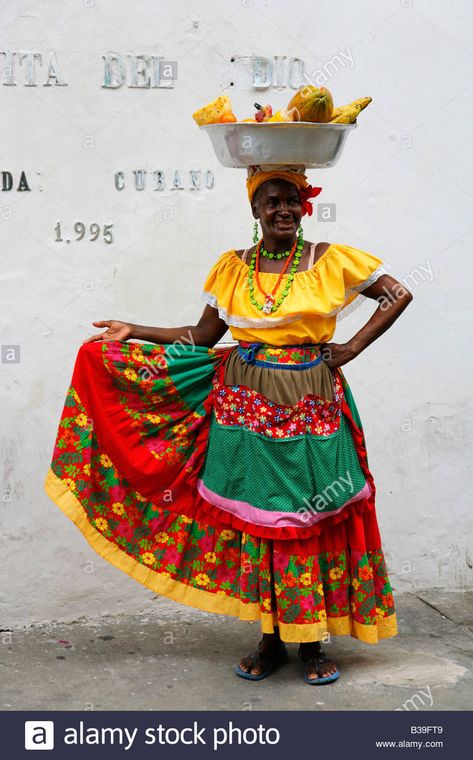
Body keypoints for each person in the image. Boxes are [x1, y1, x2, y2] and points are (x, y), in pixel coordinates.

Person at [45, 163, 413, 685]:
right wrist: (134, 331)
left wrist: (351, 347)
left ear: (304, 206)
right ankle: (269, 639)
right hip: (242, 407)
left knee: (306, 516)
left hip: (311, 404)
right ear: (255, 209)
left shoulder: (331, 260)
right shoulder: (233, 267)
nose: (283, 209)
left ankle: (309, 641)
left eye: (292, 200)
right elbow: (200, 334)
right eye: (272, 201)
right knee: (257, 517)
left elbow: (398, 294)